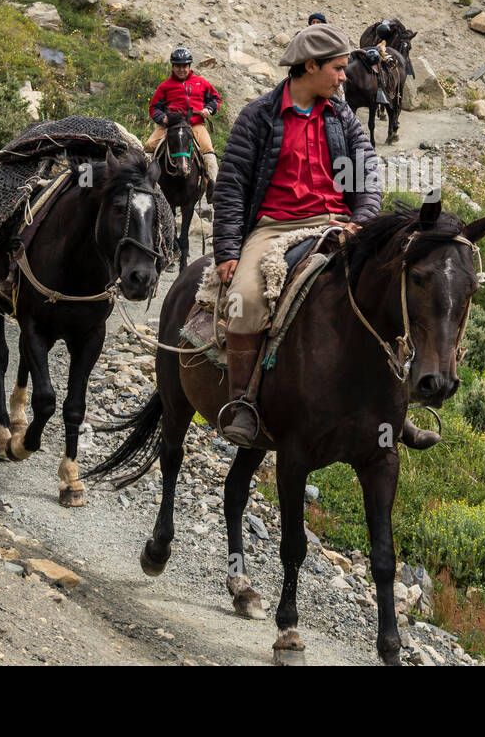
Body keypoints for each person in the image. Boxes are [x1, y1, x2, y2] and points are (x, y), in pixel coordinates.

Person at [211, 23, 378, 447]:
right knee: (246, 300)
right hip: (274, 228)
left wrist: (362, 219)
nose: (344, 77)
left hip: (337, 223)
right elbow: (231, 187)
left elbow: (368, 176)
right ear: (310, 66)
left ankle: (390, 402)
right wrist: (229, 250)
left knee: (387, 287)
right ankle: (241, 403)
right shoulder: (258, 117)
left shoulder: (342, 117)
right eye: (338, 69)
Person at [145, 47, 221, 196]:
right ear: (173, 67)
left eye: (184, 66)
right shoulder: (165, 86)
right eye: (178, 66)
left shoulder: (201, 83)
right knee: (148, 148)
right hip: (170, 125)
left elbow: (215, 99)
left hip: (195, 124)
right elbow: (154, 107)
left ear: (189, 66)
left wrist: (209, 109)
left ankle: (212, 189)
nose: (181, 69)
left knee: (209, 155)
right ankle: (144, 185)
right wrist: (162, 118)